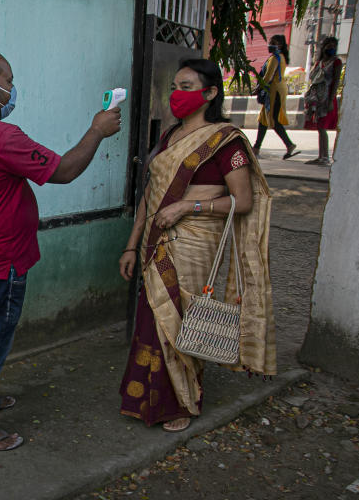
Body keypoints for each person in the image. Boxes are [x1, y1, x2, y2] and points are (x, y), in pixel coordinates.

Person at [0, 50, 121, 451]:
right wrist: (97, 130)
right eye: (8, 82)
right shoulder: (0, 137)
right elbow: (64, 171)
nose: (12, 90)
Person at [117, 58, 276, 432]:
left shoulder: (225, 141)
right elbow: (149, 198)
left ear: (209, 93)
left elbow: (244, 201)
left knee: (182, 319)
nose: (177, 94)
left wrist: (190, 205)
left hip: (193, 243)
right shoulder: (168, 138)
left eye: (186, 87)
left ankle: (180, 403)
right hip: (154, 243)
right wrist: (130, 245)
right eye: (175, 86)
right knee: (153, 319)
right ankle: (145, 400)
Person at [253, 34, 300, 160]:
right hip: (273, 91)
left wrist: (257, 89)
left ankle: (289, 144)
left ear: (280, 45)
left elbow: (268, 77)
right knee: (263, 119)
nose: (270, 45)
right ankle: (256, 148)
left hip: (275, 92)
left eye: (274, 42)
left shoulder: (276, 58)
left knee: (273, 120)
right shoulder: (277, 57)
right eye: (270, 42)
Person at [303, 36, 342, 166]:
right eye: (328, 45)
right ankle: (321, 156)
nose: (331, 48)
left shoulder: (336, 62)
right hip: (317, 98)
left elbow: (335, 82)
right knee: (319, 127)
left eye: (333, 46)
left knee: (322, 127)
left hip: (326, 98)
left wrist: (331, 100)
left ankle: (324, 157)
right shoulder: (320, 62)